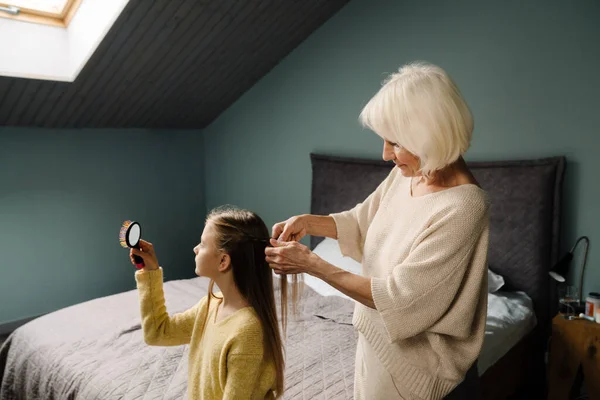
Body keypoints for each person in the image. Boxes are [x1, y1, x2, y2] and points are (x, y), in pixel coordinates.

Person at [265, 62, 490, 400]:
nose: (385, 154)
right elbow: (361, 223)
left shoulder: (463, 208)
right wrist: (310, 223)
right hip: (376, 345)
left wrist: (312, 264)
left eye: (394, 143)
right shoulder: (408, 174)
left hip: (420, 370)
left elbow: (399, 299)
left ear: (428, 137)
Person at [130, 206, 298, 399]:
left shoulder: (247, 331)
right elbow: (158, 333)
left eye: (202, 244)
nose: (195, 248)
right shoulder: (210, 306)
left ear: (223, 262)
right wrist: (150, 271)